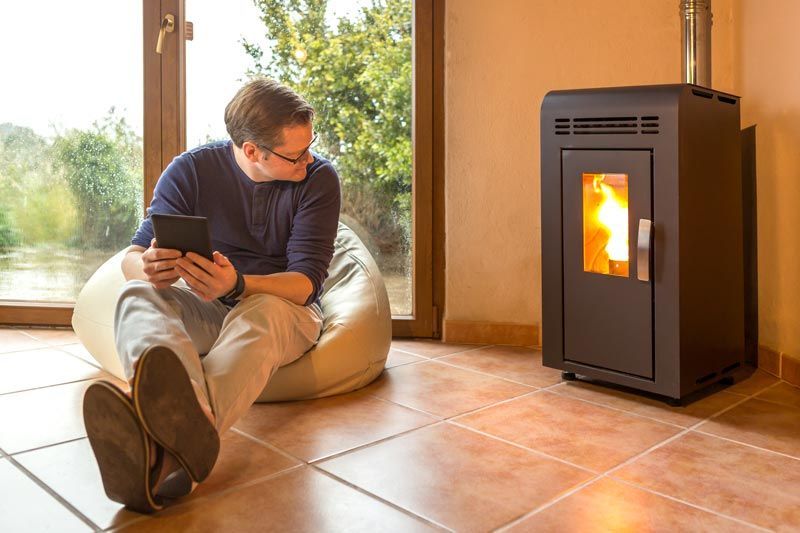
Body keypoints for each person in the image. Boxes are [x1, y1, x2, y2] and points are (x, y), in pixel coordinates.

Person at [82, 78, 341, 513]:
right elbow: (134, 253)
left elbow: (305, 283)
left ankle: (159, 452)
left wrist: (239, 284)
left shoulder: (318, 180)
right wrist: (145, 267)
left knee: (261, 312)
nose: (308, 158)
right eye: (296, 153)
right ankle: (183, 434)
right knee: (136, 296)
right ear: (252, 151)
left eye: (309, 145)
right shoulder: (191, 170)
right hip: (206, 304)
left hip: (283, 308)